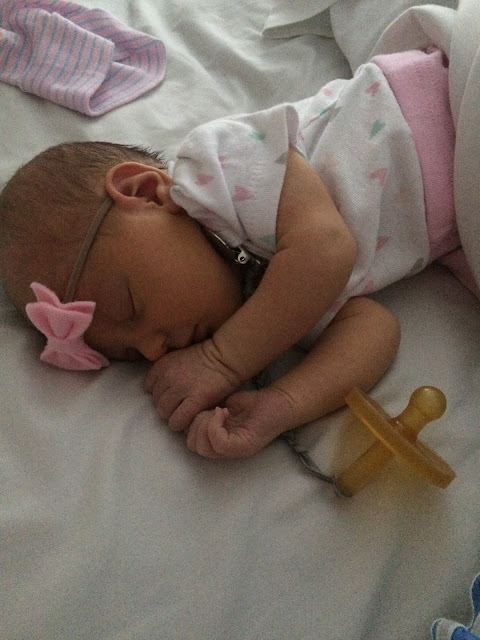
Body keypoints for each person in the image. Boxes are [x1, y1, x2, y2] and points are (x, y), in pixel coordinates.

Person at [0, 48, 462, 459]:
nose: (154, 348)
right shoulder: (265, 308)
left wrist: (222, 360)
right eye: (129, 353)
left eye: (132, 307)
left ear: (144, 192)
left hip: (440, 109)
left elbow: (327, 249)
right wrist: (283, 404)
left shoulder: (219, 170)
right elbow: (374, 330)